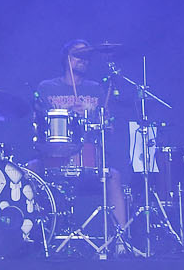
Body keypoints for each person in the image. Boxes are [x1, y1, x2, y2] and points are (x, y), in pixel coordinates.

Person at [32, 40, 129, 249]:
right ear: (66, 59)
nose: (83, 60)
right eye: (78, 55)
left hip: (88, 158)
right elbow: (39, 125)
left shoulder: (96, 90)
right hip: (54, 158)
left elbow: (109, 127)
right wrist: (68, 113)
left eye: (86, 57)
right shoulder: (47, 87)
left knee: (114, 176)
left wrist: (90, 114)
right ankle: (31, 237)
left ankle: (121, 242)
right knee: (28, 171)